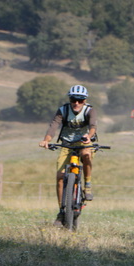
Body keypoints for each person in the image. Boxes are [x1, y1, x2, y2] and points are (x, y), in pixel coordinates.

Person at [39, 85, 97, 227]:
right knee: (60, 177)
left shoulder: (89, 110)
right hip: (66, 144)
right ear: (69, 99)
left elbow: (93, 126)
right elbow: (53, 126)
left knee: (86, 155)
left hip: (84, 141)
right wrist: (46, 140)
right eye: (73, 100)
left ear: (85, 100)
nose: (76, 103)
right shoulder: (63, 110)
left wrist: (89, 136)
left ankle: (87, 185)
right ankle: (61, 212)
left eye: (80, 100)